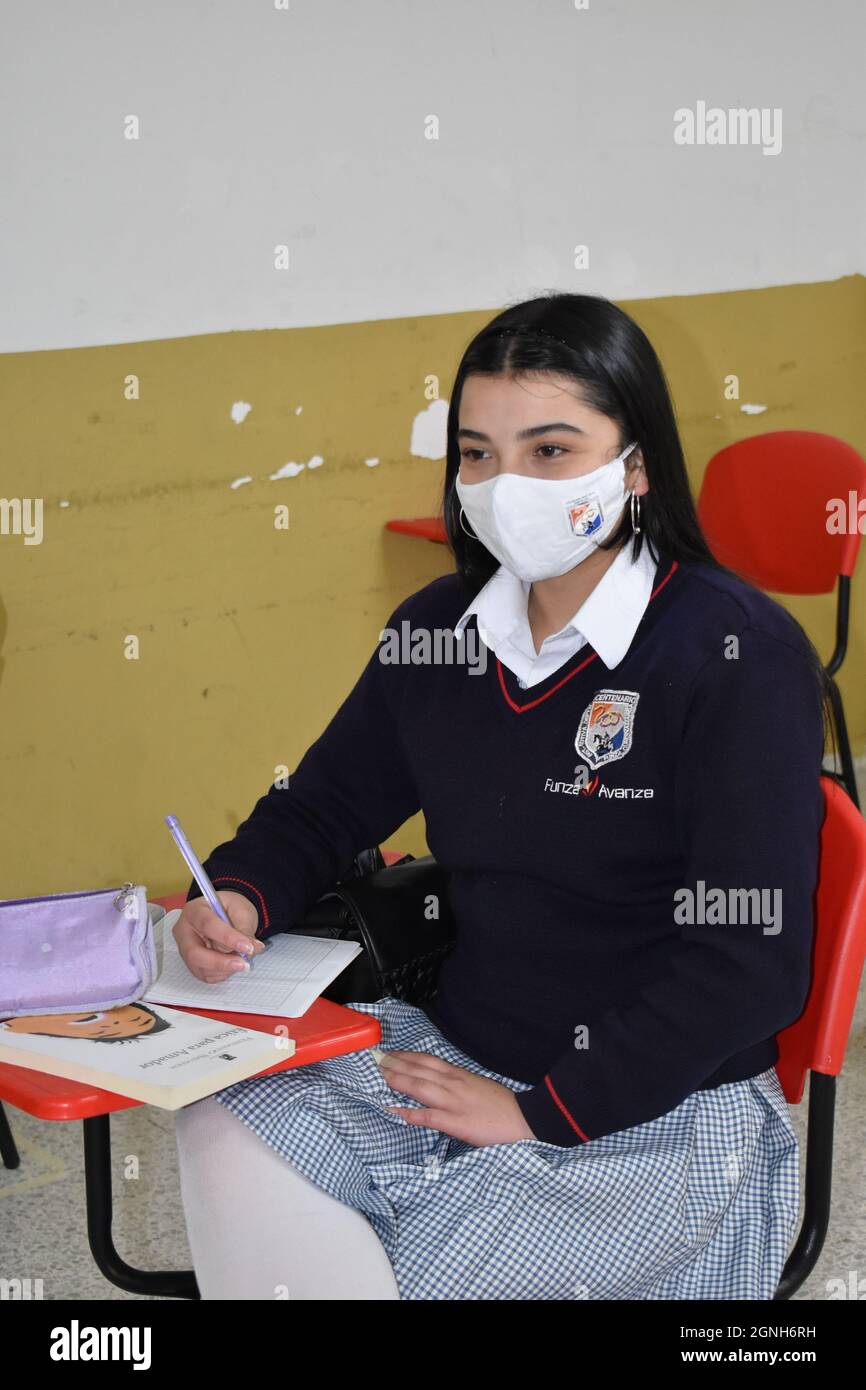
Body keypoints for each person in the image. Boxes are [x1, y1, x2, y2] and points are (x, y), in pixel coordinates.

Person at [174, 292, 831, 1301]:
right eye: (476, 454)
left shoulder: (731, 655)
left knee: (428, 1270)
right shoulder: (440, 630)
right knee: (221, 1123)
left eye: (551, 449)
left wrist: (536, 1114)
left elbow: (746, 966)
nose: (503, 483)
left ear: (637, 464)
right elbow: (322, 805)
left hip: (660, 1109)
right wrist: (240, 897)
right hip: (456, 1045)